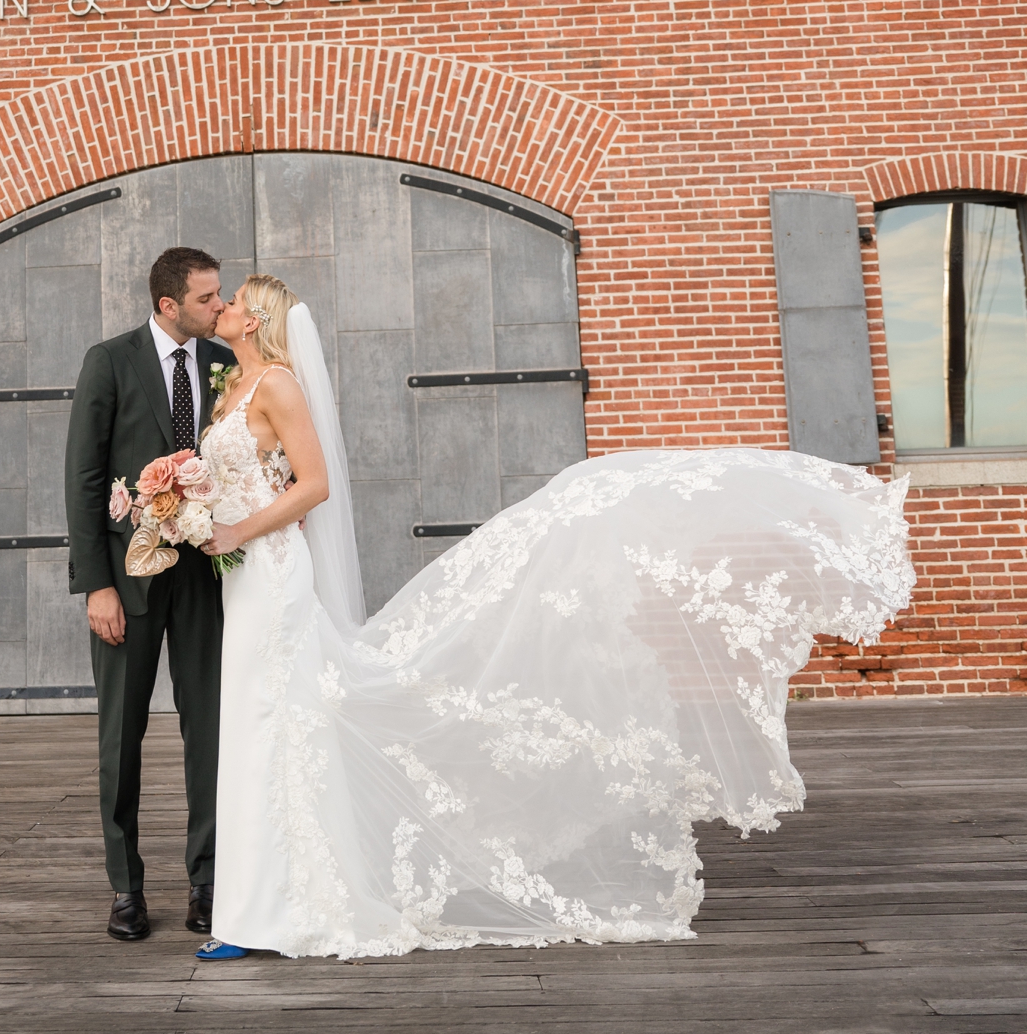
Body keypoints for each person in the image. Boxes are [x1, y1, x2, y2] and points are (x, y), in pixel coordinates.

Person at [192, 273, 915, 961]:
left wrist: (237, 530)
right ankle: (258, 906)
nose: (219, 307)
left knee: (274, 723)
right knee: (262, 728)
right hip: (241, 578)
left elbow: (313, 485)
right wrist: (183, 505)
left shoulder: (279, 383)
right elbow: (239, 476)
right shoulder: (233, 386)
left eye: (231, 301)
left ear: (255, 319)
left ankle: (278, 910)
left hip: (271, 571)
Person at [63, 247, 237, 943]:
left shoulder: (222, 363)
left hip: (207, 579)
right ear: (169, 305)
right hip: (125, 585)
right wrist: (95, 585)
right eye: (207, 299)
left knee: (213, 734)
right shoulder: (109, 362)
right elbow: (82, 479)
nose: (219, 308)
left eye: (220, 297)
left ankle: (209, 880)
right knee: (121, 738)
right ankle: (126, 888)